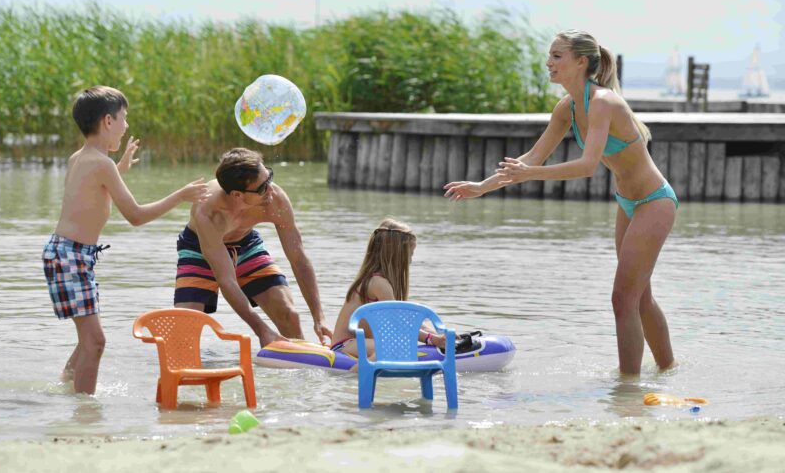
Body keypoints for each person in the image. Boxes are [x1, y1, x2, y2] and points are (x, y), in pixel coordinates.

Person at [444, 30, 678, 375]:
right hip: (627, 202)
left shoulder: (603, 102)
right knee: (639, 297)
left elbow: (586, 166)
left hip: (654, 201)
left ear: (580, 62)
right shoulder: (567, 107)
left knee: (622, 299)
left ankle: (628, 387)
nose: (549, 63)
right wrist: (483, 186)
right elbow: (533, 158)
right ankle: (667, 371)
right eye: (550, 55)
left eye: (557, 56)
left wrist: (528, 175)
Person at [42, 85, 209, 395]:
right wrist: (181, 195)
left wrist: (119, 169)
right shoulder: (101, 164)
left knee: (87, 340)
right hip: (71, 256)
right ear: (108, 121)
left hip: (68, 253)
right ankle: (83, 411)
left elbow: (91, 189)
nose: (126, 125)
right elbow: (135, 216)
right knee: (95, 341)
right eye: (124, 118)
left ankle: (65, 387)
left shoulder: (81, 157)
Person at [174, 147, 333, 349]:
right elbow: (227, 280)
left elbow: (298, 257)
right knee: (184, 334)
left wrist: (319, 317)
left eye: (269, 177)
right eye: (262, 187)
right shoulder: (208, 212)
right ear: (237, 195)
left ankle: (300, 373)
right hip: (199, 247)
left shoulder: (275, 199)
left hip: (246, 243)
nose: (271, 189)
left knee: (289, 315)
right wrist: (261, 329)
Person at [330, 218, 448, 359]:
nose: (410, 260)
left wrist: (440, 335)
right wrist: (431, 339)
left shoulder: (380, 282)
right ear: (398, 255)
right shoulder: (379, 284)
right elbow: (398, 324)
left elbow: (406, 321)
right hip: (345, 345)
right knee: (395, 347)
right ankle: (353, 378)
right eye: (410, 254)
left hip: (360, 343)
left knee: (396, 344)